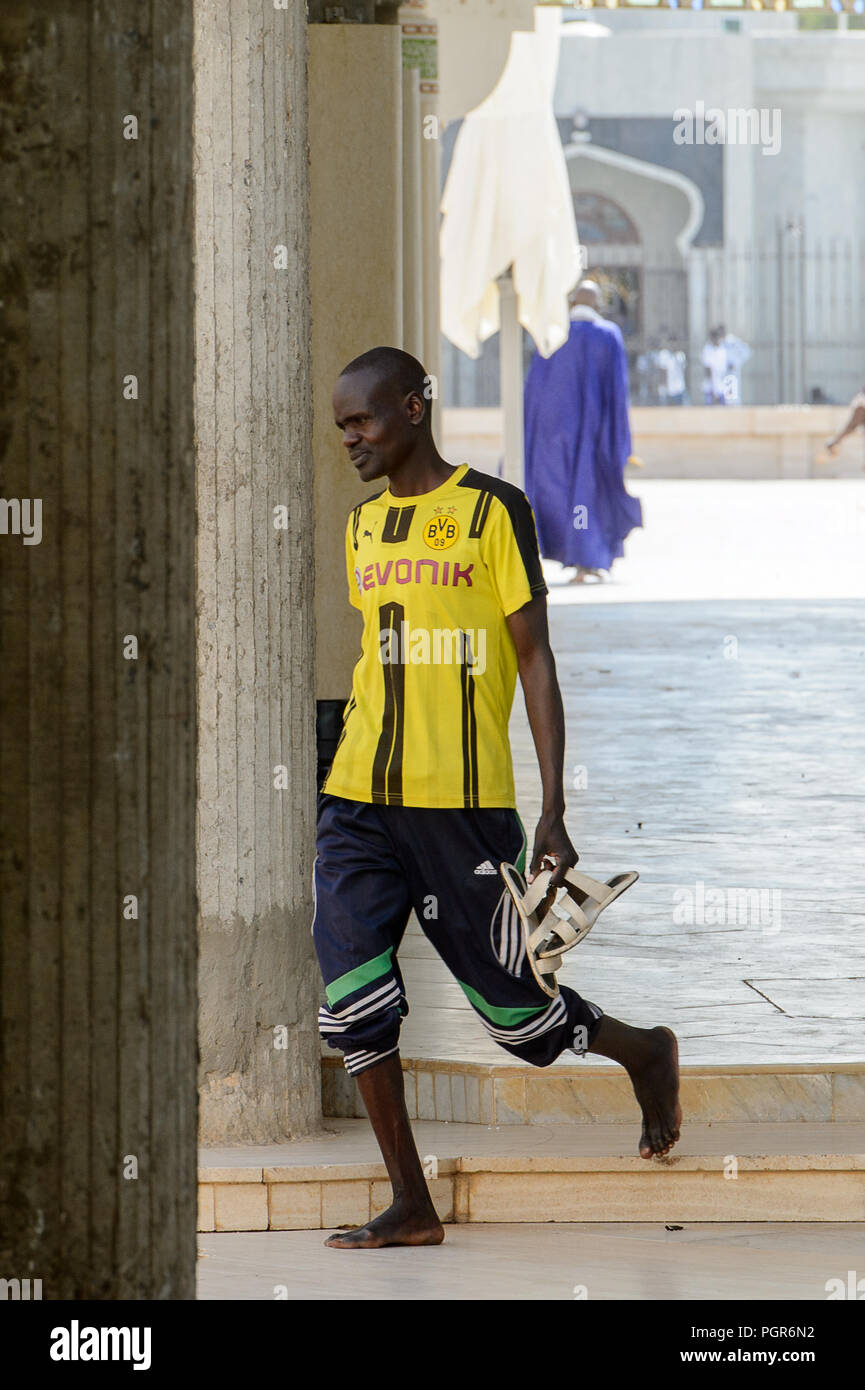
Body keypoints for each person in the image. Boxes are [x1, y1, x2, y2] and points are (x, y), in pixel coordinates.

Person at [314, 345, 681, 1250]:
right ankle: (411, 1204)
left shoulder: (492, 510)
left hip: (463, 809)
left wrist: (552, 807)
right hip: (358, 798)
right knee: (354, 995)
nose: (349, 439)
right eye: (341, 427)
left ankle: (643, 1051)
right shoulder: (361, 528)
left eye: (361, 421)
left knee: (520, 1022)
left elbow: (533, 656)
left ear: (412, 408)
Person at [523, 280, 643, 585]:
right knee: (587, 496)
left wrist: (534, 434)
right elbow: (617, 392)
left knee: (563, 495)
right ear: (598, 304)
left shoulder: (554, 334)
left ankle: (576, 557)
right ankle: (587, 559)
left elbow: (534, 390)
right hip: (595, 434)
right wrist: (619, 441)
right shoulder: (607, 335)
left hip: (553, 436)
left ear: (572, 303)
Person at [824, 383, 865, 463]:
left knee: (851, 427)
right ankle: (832, 443)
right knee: (850, 427)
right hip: (862, 403)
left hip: (861, 403)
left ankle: (833, 443)